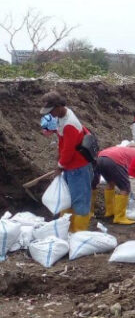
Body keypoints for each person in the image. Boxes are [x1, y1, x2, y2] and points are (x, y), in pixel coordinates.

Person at [40, 91, 94, 232]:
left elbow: (69, 150)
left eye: (51, 111)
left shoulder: (69, 123)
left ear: (58, 106)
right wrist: (62, 162)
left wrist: (60, 165)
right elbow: (81, 132)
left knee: (80, 200)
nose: (50, 114)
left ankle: (79, 233)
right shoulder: (64, 115)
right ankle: (68, 230)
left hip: (78, 167)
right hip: (71, 166)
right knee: (69, 198)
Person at [91, 146, 135, 225]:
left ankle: (110, 211)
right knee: (125, 187)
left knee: (110, 182)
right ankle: (119, 217)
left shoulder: (127, 149)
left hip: (100, 157)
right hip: (115, 160)